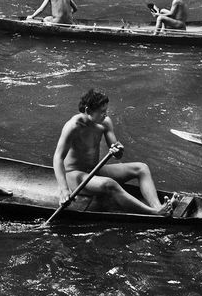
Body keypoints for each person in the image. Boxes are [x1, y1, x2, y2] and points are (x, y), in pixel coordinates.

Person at [51, 89, 181, 215]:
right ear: (88, 111)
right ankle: (154, 212)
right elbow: (58, 158)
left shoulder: (105, 123)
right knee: (109, 184)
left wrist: (118, 150)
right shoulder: (73, 126)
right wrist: (64, 189)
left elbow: (118, 155)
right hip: (74, 175)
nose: (105, 114)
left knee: (142, 168)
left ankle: (159, 207)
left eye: (106, 110)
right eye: (102, 112)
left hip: (94, 169)